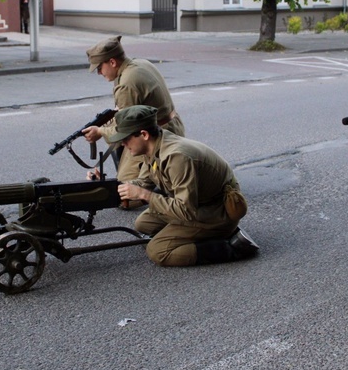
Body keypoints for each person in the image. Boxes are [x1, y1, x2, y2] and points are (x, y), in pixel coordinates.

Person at [110, 105, 258, 266]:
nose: (123, 143)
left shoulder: (176, 157)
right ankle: (195, 234)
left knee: (158, 251)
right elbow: (143, 183)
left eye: (126, 138)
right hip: (198, 205)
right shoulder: (155, 145)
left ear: (144, 134)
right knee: (143, 224)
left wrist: (145, 195)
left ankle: (231, 246)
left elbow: (185, 210)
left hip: (215, 211)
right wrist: (109, 186)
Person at [83, 36, 185, 197]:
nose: (99, 73)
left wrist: (100, 132)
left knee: (125, 195)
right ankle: (154, 178)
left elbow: (124, 129)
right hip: (171, 127)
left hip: (155, 138)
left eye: (99, 67)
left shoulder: (126, 83)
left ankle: (159, 184)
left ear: (112, 62)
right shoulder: (139, 64)